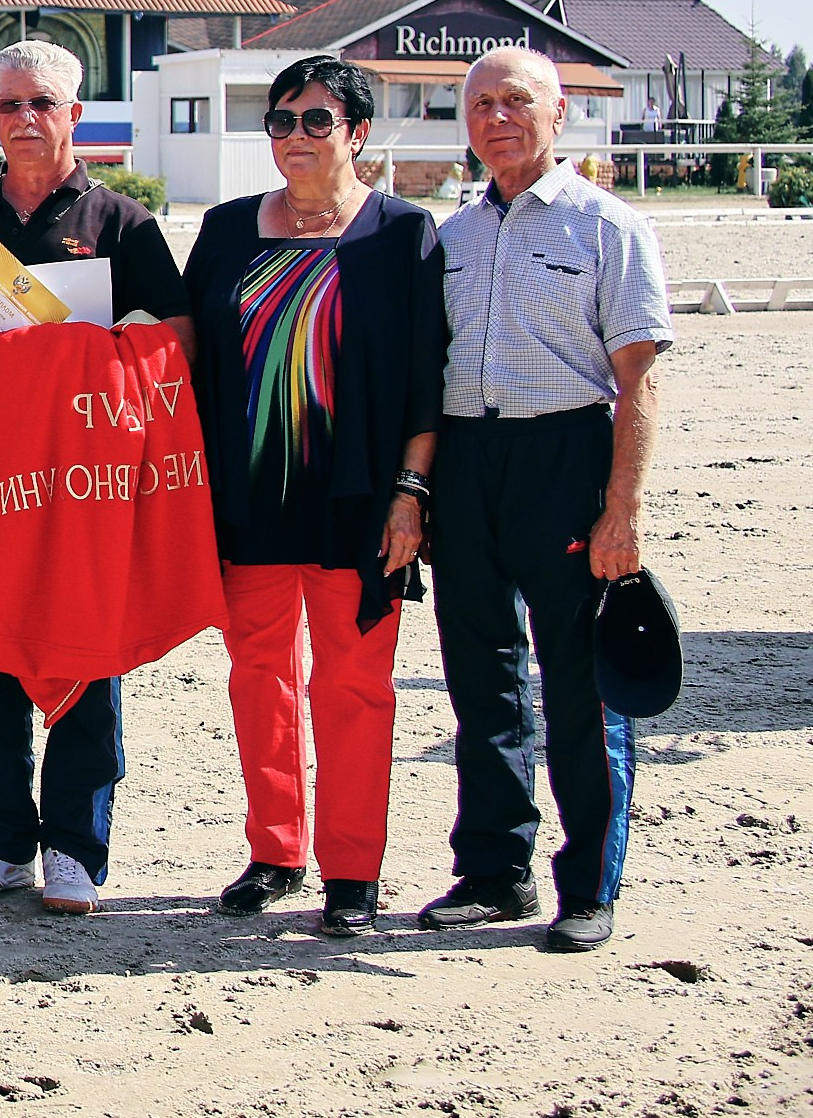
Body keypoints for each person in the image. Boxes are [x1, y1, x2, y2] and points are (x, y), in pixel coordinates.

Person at [0, 39, 192, 915]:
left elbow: (174, 341)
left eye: (42, 103)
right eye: (8, 104)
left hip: (81, 488)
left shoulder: (121, 223)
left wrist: (80, 353)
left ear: (75, 114)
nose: (24, 119)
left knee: (84, 652)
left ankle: (75, 847)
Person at [182, 56, 446, 938]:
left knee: (355, 689)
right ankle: (276, 849)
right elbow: (179, 356)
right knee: (260, 681)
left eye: (317, 120)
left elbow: (425, 384)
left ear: (358, 131)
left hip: (360, 505)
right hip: (248, 504)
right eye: (282, 120)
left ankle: (353, 870)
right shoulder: (222, 231)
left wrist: (411, 494)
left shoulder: (403, 234)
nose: (295, 136)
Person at [420, 47, 670, 953]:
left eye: (516, 100)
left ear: (558, 111)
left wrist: (622, 509)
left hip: (566, 458)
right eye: (480, 103)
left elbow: (636, 382)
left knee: (577, 684)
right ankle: (494, 870)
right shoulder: (452, 238)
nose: (496, 117)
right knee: (480, 681)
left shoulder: (609, 227)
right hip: (467, 462)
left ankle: (589, 885)